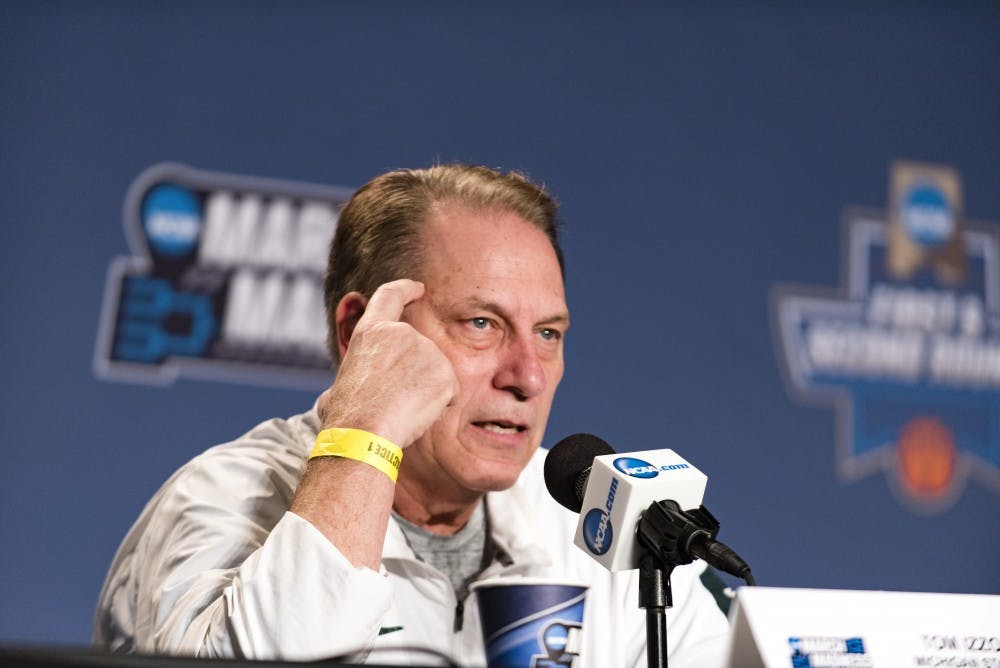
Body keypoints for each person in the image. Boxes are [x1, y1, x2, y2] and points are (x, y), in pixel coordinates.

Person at [94, 164, 729, 666]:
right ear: (360, 331)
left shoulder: (596, 523)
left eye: (548, 333)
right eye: (482, 324)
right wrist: (364, 434)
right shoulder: (223, 500)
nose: (527, 377)